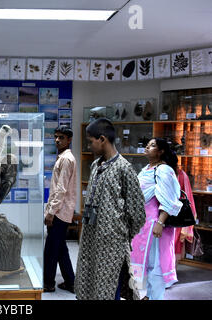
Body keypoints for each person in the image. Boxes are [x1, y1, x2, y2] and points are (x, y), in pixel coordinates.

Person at [75, 118, 146, 300]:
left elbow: (137, 212)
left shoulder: (124, 169)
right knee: (89, 284)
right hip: (91, 240)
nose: (89, 145)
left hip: (111, 245)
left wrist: (120, 234)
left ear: (102, 139)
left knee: (107, 288)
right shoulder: (94, 166)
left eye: (90, 141)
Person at [130, 138, 183, 300]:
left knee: (156, 265)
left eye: (152, 145)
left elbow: (169, 199)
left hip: (155, 225)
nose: (147, 147)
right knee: (142, 263)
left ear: (160, 152)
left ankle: (156, 297)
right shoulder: (147, 169)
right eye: (147, 144)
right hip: (142, 225)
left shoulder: (164, 170)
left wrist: (160, 222)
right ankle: (145, 296)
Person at [43, 125, 77, 293]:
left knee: (51, 250)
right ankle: (71, 282)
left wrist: (51, 212)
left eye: (61, 137)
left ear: (69, 140)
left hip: (59, 212)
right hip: (61, 210)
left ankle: (48, 284)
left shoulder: (66, 159)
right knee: (60, 247)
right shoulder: (64, 157)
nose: (57, 140)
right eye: (56, 136)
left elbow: (61, 189)